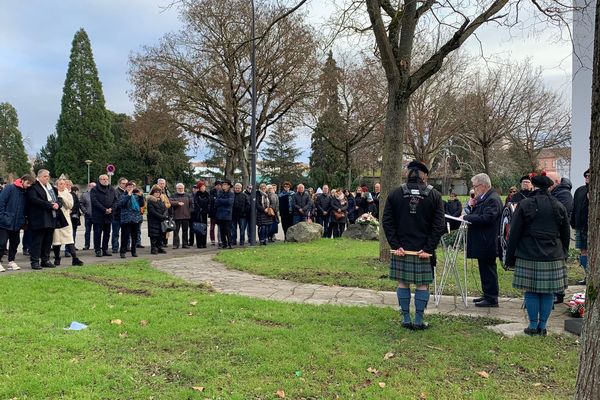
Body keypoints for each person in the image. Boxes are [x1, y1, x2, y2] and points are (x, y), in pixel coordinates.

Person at [382, 160, 445, 330]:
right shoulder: (434, 195)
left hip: (402, 249)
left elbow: (387, 222)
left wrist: (396, 245)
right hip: (423, 251)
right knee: (422, 285)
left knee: (403, 282)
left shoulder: (395, 193)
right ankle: (418, 321)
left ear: (408, 173)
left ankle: (405, 318)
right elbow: (439, 225)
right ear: (424, 176)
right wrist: (428, 248)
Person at [505, 174, 570, 336]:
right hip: (553, 255)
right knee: (548, 292)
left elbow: (514, 233)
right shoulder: (558, 205)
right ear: (549, 187)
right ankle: (543, 326)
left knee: (531, 291)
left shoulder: (525, 204)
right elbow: (565, 234)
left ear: (533, 186)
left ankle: (533, 326)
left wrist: (509, 257)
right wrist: (564, 253)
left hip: (529, 254)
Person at [461, 173, 503, 308]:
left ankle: (491, 298)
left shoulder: (493, 199)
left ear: (483, 186)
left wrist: (466, 218)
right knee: (484, 268)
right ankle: (487, 294)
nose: (474, 189)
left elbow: (487, 218)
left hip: (488, 240)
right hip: (482, 240)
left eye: (475, 186)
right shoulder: (483, 198)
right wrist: (472, 206)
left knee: (489, 269)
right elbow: (479, 214)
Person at [26, 169, 60, 269]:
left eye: (48, 176)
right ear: (39, 177)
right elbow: (34, 200)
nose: (47, 178)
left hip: (51, 217)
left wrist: (58, 204)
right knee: (37, 241)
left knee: (48, 241)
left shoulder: (52, 188)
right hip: (38, 218)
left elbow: (58, 199)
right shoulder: (33, 187)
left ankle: (45, 260)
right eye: (45, 176)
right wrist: (50, 205)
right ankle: (35, 261)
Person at [0, 175, 34, 271]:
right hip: (5, 222)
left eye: (30, 184)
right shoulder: (10, 188)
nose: (28, 186)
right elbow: (1, 202)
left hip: (17, 223)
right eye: (28, 183)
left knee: (15, 243)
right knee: (2, 243)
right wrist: (2, 217)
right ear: (23, 180)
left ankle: (11, 261)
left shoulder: (25, 192)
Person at [51, 178, 84, 266]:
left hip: (66, 218)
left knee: (69, 239)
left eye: (64, 184)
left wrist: (62, 198)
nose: (62, 185)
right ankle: (57, 257)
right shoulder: (53, 193)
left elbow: (70, 205)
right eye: (60, 184)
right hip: (56, 219)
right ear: (57, 185)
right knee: (56, 240)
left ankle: (75, 258)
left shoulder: (68, 194)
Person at [90, 174, 117, 257]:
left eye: (106, 179)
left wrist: (111, 209)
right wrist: (104, 209)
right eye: (103, 179)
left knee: (107, 234)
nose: (105, 180)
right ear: (100, 180)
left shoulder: (111, 189)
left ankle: (105, 249)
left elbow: (116, 200)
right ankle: (97, 250)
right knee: (97, 234)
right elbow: (94, 201)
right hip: (98, 215)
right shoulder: (95, 189)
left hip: (109, 216)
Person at [571, 168, 589, 285]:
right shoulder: (579, 190)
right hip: (580, 226)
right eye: (586, 175)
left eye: (589, 175)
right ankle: (588, 276)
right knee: (583, 252)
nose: (587, 177)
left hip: (592, 228)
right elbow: (575, 208)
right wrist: (573, 222)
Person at [118, 182, 145, 258]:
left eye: (132, 187)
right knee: (125, 237)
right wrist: (128, 196)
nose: (130, 188)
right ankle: (122, 252)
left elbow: (141, 204)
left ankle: (134, 251)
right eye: (129, 187)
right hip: (126, 219)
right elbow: (121, 204)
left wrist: (141, 196)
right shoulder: (123, 195)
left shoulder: (136, 196)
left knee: (135, 237)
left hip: (136, 219)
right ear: (126, 188)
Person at [170, 183, 193, 249]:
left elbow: (191, 204)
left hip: (186, 216)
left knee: (185, 231)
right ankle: (176, 244)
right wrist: (177, 203)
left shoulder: (188, 195)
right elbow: (170, 202)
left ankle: (185, 244)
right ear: (176, 189)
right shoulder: (173, 195)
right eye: (179, 188)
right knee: (176, 231)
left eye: (181, 188)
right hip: (177, 216)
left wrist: (190, 211)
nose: (180, 189)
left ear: (184, 188)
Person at [146, 186, 168, 254]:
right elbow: (152, 211)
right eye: (156, 192)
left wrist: (164, 215)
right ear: (153, 193)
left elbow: (165, 208)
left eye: (159, 192)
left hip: (161, 221)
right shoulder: (150, 201)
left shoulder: (161, 200)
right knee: (154, 235)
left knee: (161, 235)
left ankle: (160, 247)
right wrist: (161, 216)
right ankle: (153, 248)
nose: (157, 194)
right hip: (153, 221)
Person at [214, 179, 234, 249]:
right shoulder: (220, 193)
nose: (223, 186)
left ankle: (230, 243)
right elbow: (216, 202)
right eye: (223, 184)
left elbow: (229, 202)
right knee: (221, 230)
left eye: (225, 184)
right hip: (220, 214)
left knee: (227, 230)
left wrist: (220, 201)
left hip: (227, 214)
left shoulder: (231, 193)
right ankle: (224, 243)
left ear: (228, 186)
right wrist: (222, 201)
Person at [111, 177, 128, 253]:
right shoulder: (115, 192)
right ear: (119, 184)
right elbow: (116, 203)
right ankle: (115, 247)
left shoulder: (129, 192)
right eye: (123, 183)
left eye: (126, 183)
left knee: (126, 233)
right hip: (117, 215)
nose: (125, 185)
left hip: (126, 216)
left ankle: (126, 246)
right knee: (115, 233)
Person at [192, 181, 210, 248]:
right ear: (199, 188)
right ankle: (199, 243)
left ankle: (204, 243)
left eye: (204, 187)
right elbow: (196, 203)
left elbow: (209, 203)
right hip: (198, 213)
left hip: (204, 213)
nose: (203, 188)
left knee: (204, 228)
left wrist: (206, 210)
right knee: (198, 228)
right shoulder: (197, 194)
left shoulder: (207, 194)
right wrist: (199, 209)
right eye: (202, 187)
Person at [79, 182, 96, 250]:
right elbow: (81, 204)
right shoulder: (84, 195)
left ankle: (96, 245)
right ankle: (87, 245)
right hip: (88, 216)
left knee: (97, 232)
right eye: (91, 186)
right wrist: (85, 211)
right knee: (87, 231)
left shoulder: (98, 195)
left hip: (96, 216)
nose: (93, 187)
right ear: (89, 186)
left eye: (94, 186)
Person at [67, 181, 81, 252]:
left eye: (69, 185)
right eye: (66, 185)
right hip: (64, 217)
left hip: (73, 216)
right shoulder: (60, 193)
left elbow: (77, 204)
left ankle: (70, 249)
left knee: (73, 233)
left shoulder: (73, 194)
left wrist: (71, 210)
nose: (68, 186)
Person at [209, 180, 222, 246]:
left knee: (220, 227)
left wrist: (216, 199)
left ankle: (220, 240)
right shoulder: (211, 192)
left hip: (220, 212)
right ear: (215, 186)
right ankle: (212, 240)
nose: (218, 186)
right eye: (217, 185)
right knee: (212, 227)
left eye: (219, 185)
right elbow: (211, 199)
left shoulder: (222, 192)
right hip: (213, 212)